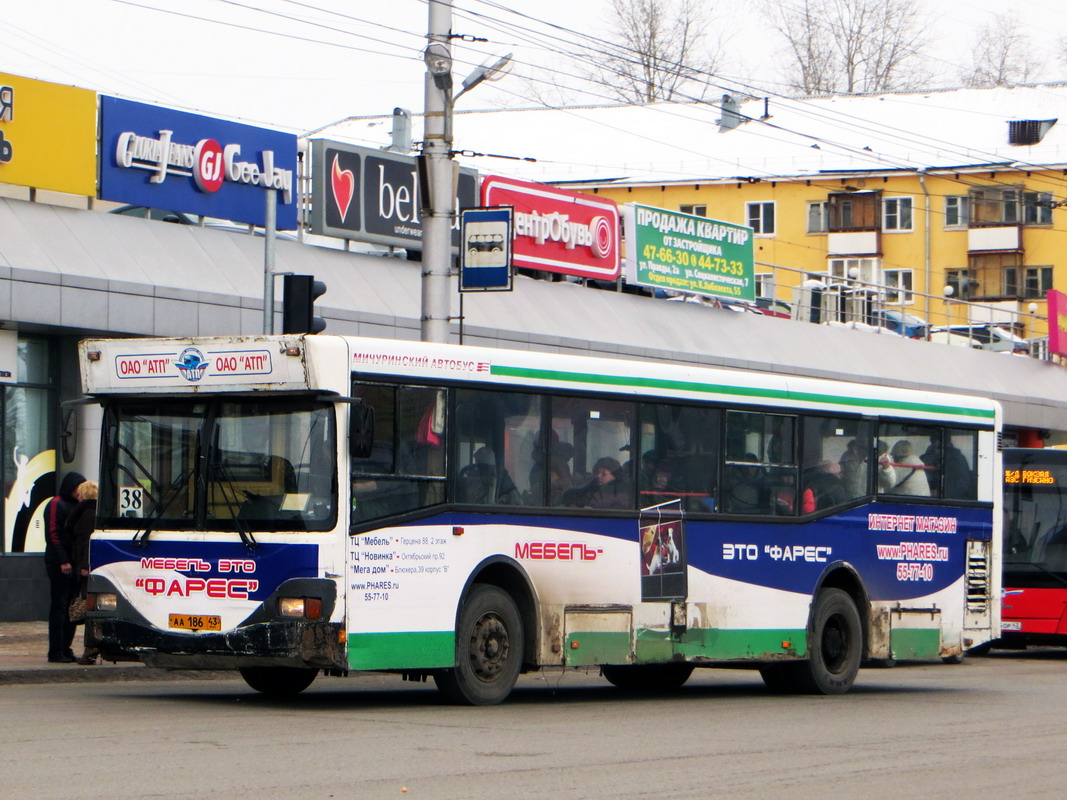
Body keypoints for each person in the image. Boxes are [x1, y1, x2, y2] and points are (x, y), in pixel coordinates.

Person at [44, 471, 85, 663]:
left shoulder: (76, 505)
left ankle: (65, 647)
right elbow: (53, 534)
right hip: (60, 562)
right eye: (78, 489)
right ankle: (55, 650)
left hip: (73, 562)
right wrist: (62, 560)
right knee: (60, 605)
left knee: (71, 607)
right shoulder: (55, 504)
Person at [65, 480, 99, 665]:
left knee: (88, 609)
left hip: (86, 567)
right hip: (86, 565)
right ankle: (92, 648)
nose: (77, 496)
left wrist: (85, 565)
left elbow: (87, 541)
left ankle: (91, 650)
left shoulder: (87, 513)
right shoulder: (93, 511)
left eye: (80, 493)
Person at [564, 456, 630, 509]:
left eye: (604, 473)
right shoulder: (591, 488)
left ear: (615, 476)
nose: (598, 476)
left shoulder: (623, 493)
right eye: (597, 472)